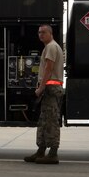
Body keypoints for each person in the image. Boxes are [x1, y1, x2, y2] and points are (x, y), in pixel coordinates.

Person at [25, 24, 64, 164]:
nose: (40, 35)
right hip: (49, 90)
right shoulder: (50, 47)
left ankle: (53, 154)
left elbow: (49, 68)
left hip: (50, 89)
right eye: (39, 32)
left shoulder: (51, 47)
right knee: (43, 121)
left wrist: (40, 88)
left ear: (50, 33)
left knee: (51, 121)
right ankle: (41, 151)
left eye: (43, 32)